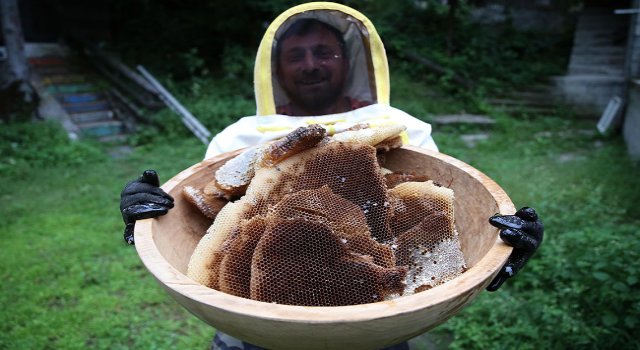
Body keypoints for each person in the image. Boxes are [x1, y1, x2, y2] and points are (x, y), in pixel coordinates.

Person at [120, 3, 543, 350]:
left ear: (349, 61)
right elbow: (205, 218)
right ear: (277, 70)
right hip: (254, 332)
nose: (310, 64)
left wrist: (504, 242)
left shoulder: (398, 129)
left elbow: (442, 216)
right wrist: (149, 213)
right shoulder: (239, 140)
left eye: (324, 52)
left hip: (379, 327)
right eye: (296, 55)